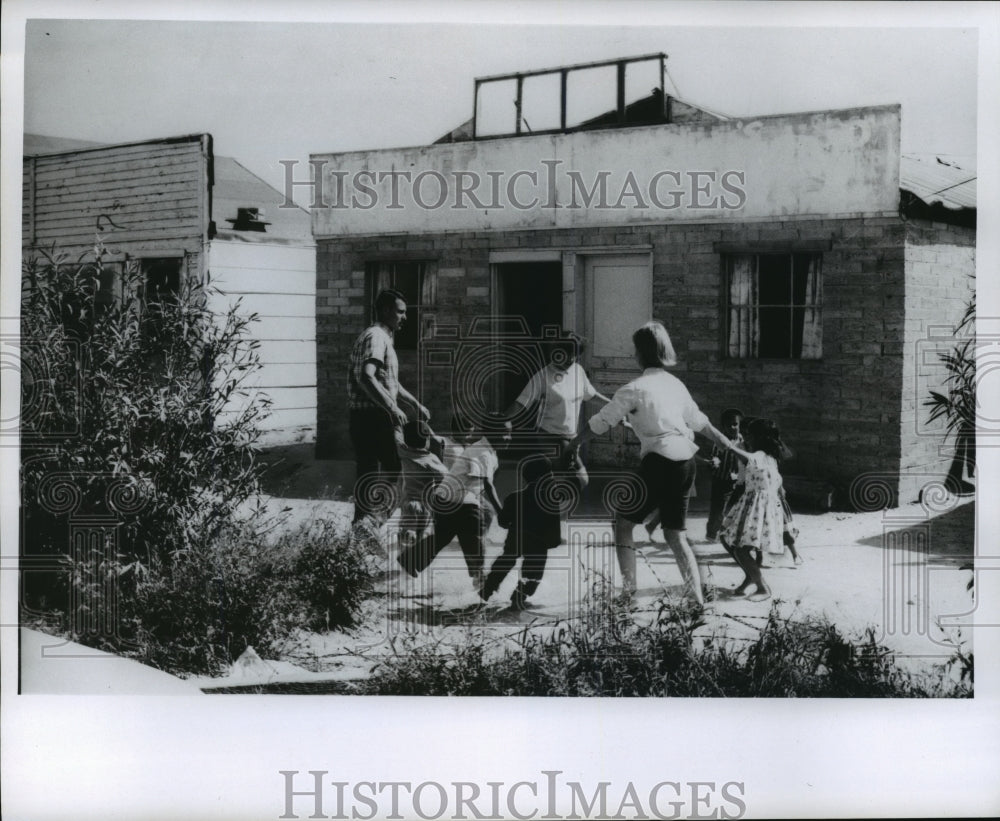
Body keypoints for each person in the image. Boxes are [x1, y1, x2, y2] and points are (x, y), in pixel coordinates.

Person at [578, 322, 734, 606]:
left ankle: (628, 594)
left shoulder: (633, 388)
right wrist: (723, 440)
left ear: (639, 354)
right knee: (676, 535)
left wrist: (573, 443)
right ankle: (696, 599)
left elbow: (601, 423)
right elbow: (699, 421)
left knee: (623, 524)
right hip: (686, 462)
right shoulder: (675, 384)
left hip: (659, 462)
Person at [347, 288, 429, 525]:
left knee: (371, 473)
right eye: (400, 312)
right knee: (399, 469)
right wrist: (392, 408)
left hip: (368, 416)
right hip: (373, 417)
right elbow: (367, 376)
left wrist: (414, 403)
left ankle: (363, 525)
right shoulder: (376, 337)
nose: (405, 317)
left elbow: (389, 381)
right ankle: (373, 522)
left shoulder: (382, 337)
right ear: (385, 310)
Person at [396, 411, 505, 588]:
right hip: (455, 496)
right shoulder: (470, 449)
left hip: (451, 496)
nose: (509, 438)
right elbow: (488, 484)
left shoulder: (483, 450)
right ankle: (479, 576)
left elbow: (488, 479)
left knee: (444, 536)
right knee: (472, 532)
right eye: (504, 433)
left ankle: (410, 561)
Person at [479, 446, 588, 610]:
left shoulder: (513, 497)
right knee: (533, 574)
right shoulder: (553, 494)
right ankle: (519, 597)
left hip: (516, 539)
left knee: (504, 562)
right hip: (539, 544)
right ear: (547, 476)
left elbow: (502, 522)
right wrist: (573, 463)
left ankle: (487, 590)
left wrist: (504, 513)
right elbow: (579, 483)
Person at [504, 333, 610, 474]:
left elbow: (590, 395)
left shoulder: (578, 371)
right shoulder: (543, 376)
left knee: (580, 479)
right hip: (550, 435)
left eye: (574, 355)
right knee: (567, 477)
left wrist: (615, 405)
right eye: (566, 354)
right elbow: (521, 403)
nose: (571, 359)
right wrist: (500, 420)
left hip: (571, 437)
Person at [718, 417, 790, 601]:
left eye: (750, 434)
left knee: (740, 548)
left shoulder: (760, 455)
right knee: (728, 539)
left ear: (759, 437)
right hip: (754, 506)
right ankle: (751, 577)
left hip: (758, 509)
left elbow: (749, 459)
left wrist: (728, 445)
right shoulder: (770, 458)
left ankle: (762, 587)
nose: (747, 438)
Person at [395, 420, 449, 546]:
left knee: (406, 536)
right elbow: (446, 478)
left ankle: (405, 542)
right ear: (426, 441)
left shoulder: (403, 452)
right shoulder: (430, 459)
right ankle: (413, 555)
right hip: (425, 505)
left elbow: (397, 437)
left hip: (408, 504)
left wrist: (398, 424)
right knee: (421, 537)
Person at [704, 408, 745, 543]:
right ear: (723, 427)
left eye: (735, 424)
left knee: (735, 508)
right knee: (718, 508)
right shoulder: (721, 440)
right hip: (721, 479)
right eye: (729, 425)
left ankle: (728, 534)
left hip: (737, 480)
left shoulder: (742, 440)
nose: (733, 428)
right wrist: (715, 461)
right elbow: (715, 455)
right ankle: (711, 534)